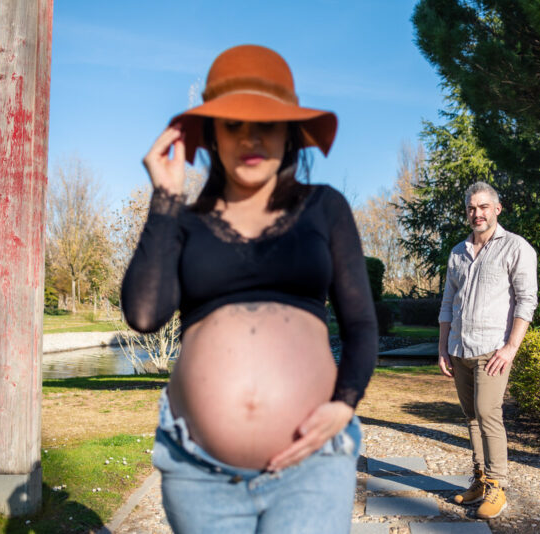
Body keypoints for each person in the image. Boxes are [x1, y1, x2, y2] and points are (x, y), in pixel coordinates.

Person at [121, 44, 377, 534]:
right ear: (212, 136)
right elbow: (145, 315)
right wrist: (166, 198)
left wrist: (345, 402)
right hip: (199, 472)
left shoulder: (325, 208)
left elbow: (361, 324)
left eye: (266, 121)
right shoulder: (187, 223)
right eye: (232, 123)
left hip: (312, 464)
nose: (250, 136)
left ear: (291, 133)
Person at [437, 181, 537, 519]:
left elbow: (527, 301)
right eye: (471, 208)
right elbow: (448, 303)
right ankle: (480, 479)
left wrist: (511, 348)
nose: (477, 213)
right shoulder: (457, 253)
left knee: (488, 413)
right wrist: (442, 347)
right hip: (459, 349)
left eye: (483, 207)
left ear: (497, 208)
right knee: (471, 417)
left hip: (493, 350)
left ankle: (498, 485)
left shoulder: (516, 247)